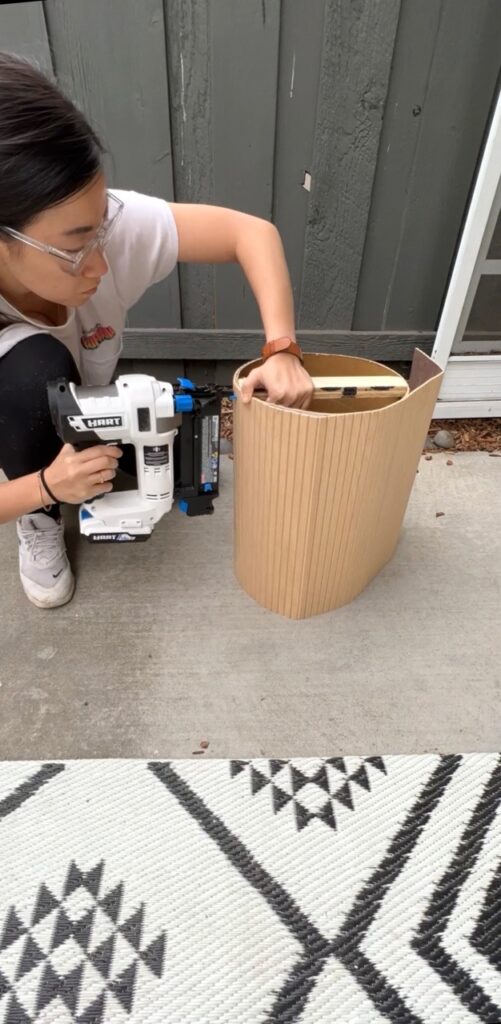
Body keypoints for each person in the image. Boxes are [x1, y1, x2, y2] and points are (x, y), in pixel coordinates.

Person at [0, 52, 313, 610]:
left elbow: (251, 233)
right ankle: (39, 519)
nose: (100, 265)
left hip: (80, 397)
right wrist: (43, 489)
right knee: (31, 374)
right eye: (75, 249)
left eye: (101, 230)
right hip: (20, 418)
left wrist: (282, 349)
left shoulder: (106, 225)